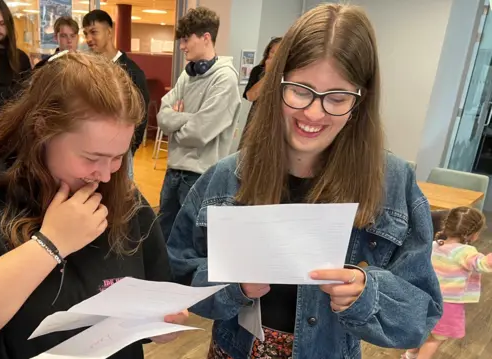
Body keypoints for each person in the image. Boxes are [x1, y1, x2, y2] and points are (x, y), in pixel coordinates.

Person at [166, 4, 442, 359]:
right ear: (277, 82)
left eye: (337, 98)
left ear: (360, 101)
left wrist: (366, 293)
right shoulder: (226, 178)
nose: (314, 113)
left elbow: (421, 313)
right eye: (300, 90)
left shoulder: (392, 184)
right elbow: (180, 269)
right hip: (235, 349)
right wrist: (233, 286)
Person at [0, 52, 187, 359]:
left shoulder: (121, 195)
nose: (104, 174)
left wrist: (160, 323)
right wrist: (50, 245)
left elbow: (151, 295)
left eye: (118, 157)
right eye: (91, 157)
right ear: (40, 130)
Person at [156, 7, 241, 241]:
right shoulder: (187, 75)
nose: (182, 46)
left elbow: (199, 133)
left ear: (205, 38)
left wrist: (178, 126)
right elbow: (162, 118)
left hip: (201, 175)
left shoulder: (225, 79)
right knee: (163, 239)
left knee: (190, 243)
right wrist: (188, 119)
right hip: (174, 171)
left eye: (186, 40)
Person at [403, 207, 491, 359]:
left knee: (421, 329)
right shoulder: (466, 252)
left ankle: (410, 355)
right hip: (447, 305)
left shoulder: (434, 245)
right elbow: (482, 264)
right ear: (474, 234)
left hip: (425, 299)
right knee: (436, 338)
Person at [82, 9, 149, 175]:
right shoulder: (87, 69)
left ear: (109, 32)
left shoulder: (132, 72)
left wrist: (125, 153)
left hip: (119, 157)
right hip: (90, 153)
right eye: (85, 34)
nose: (89, 39)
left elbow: (141, 117)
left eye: (94, 32)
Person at [239, 37, 281, 148]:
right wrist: (268, 74)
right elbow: (250, 96)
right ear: (268, 53)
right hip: (256, 119)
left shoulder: (289, 74)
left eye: (279, 53)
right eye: (272, 52)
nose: (275, 56)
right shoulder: (258, 70)